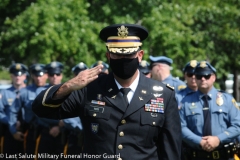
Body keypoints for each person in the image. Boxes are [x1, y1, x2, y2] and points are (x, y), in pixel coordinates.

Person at [32, 24, 181, 160]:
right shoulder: (89, 89)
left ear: (140, 55)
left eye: (129, 54)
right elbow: (40, 109)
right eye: (117, 54)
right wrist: (69, 85)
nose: (123, 59)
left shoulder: (163, 94)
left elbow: (170, 150)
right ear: (108, 56)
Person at [179, 61, 240, 160]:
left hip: (223, 156)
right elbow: (180, 127)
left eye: (206, 76)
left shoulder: (227, 100)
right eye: (199, 76)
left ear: (214, 77)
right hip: (195, 156)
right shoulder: (185, 102)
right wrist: (200, 141)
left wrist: (218, 139)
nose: (203, 79)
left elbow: (237, 125)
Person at [36, 61, 65, 158]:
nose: (55, 77)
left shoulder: (70, 91)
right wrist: (58, 123)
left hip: (63, 135)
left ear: (61, 75)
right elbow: (38, 112)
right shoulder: (41, 92)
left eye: (58, 74)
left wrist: (60, 127)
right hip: (45, 133)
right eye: (52, 74)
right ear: (47, 75)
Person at [20, 63, 48, 157]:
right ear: (32, 76)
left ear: (46, 75)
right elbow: (15, 110)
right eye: (36, 75)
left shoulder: (51, 90)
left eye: (40, 75)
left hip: (47, 131)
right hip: (30, 131)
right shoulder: (25, 91)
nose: (38, 78)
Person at [0, 63, 28, 158]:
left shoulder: (30, 92)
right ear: (11, 76)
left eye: (20, 75)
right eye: (15, 75)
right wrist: (11, 122)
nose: (18, 77)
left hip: (28, 132)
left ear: (25, 76)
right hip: (9, 132)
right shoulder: (4, 93)